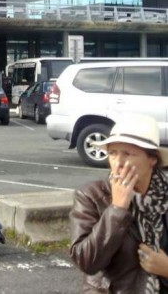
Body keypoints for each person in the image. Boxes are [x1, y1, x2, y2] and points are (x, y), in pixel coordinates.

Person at [70, 115, 168, 293]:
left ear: (151, 159)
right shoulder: (92, 195)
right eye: (113, 153)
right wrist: (117, 209)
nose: (118, 163)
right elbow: (87, 262)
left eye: (128, 154)